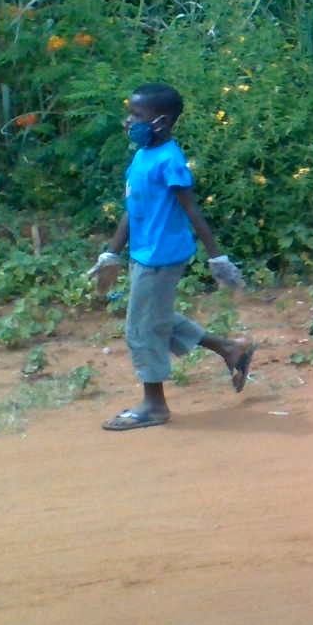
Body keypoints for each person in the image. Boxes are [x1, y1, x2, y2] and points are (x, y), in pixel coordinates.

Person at [89, 83, 255, 430]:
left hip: (162, 256)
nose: (129, 121)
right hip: (144, 252)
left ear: (161, 121)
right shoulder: (141, 156)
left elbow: (191, 209)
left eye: (137, 115)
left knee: (142, 327)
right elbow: (132, 207)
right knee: (156, 317)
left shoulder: (170, 160)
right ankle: (229, 349)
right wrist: (110, 254)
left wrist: (217, 258)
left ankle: (154, 405)